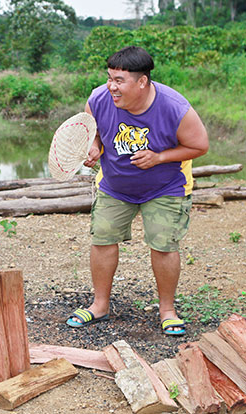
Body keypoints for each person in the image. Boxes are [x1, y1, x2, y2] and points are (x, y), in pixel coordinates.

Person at [66, 46, 208, 336]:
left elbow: (200, 146)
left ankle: (167, 310)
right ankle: (100, 305)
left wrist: (159, 157)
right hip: (115, 185)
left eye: (119, 80)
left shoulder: (174, 107)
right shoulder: (98, 99)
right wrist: (94, 146)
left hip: (166, 187)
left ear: (142, 82)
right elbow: (92, 130)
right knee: (102, 239)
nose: (111, 86)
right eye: (109, 78)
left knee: (164, 245)